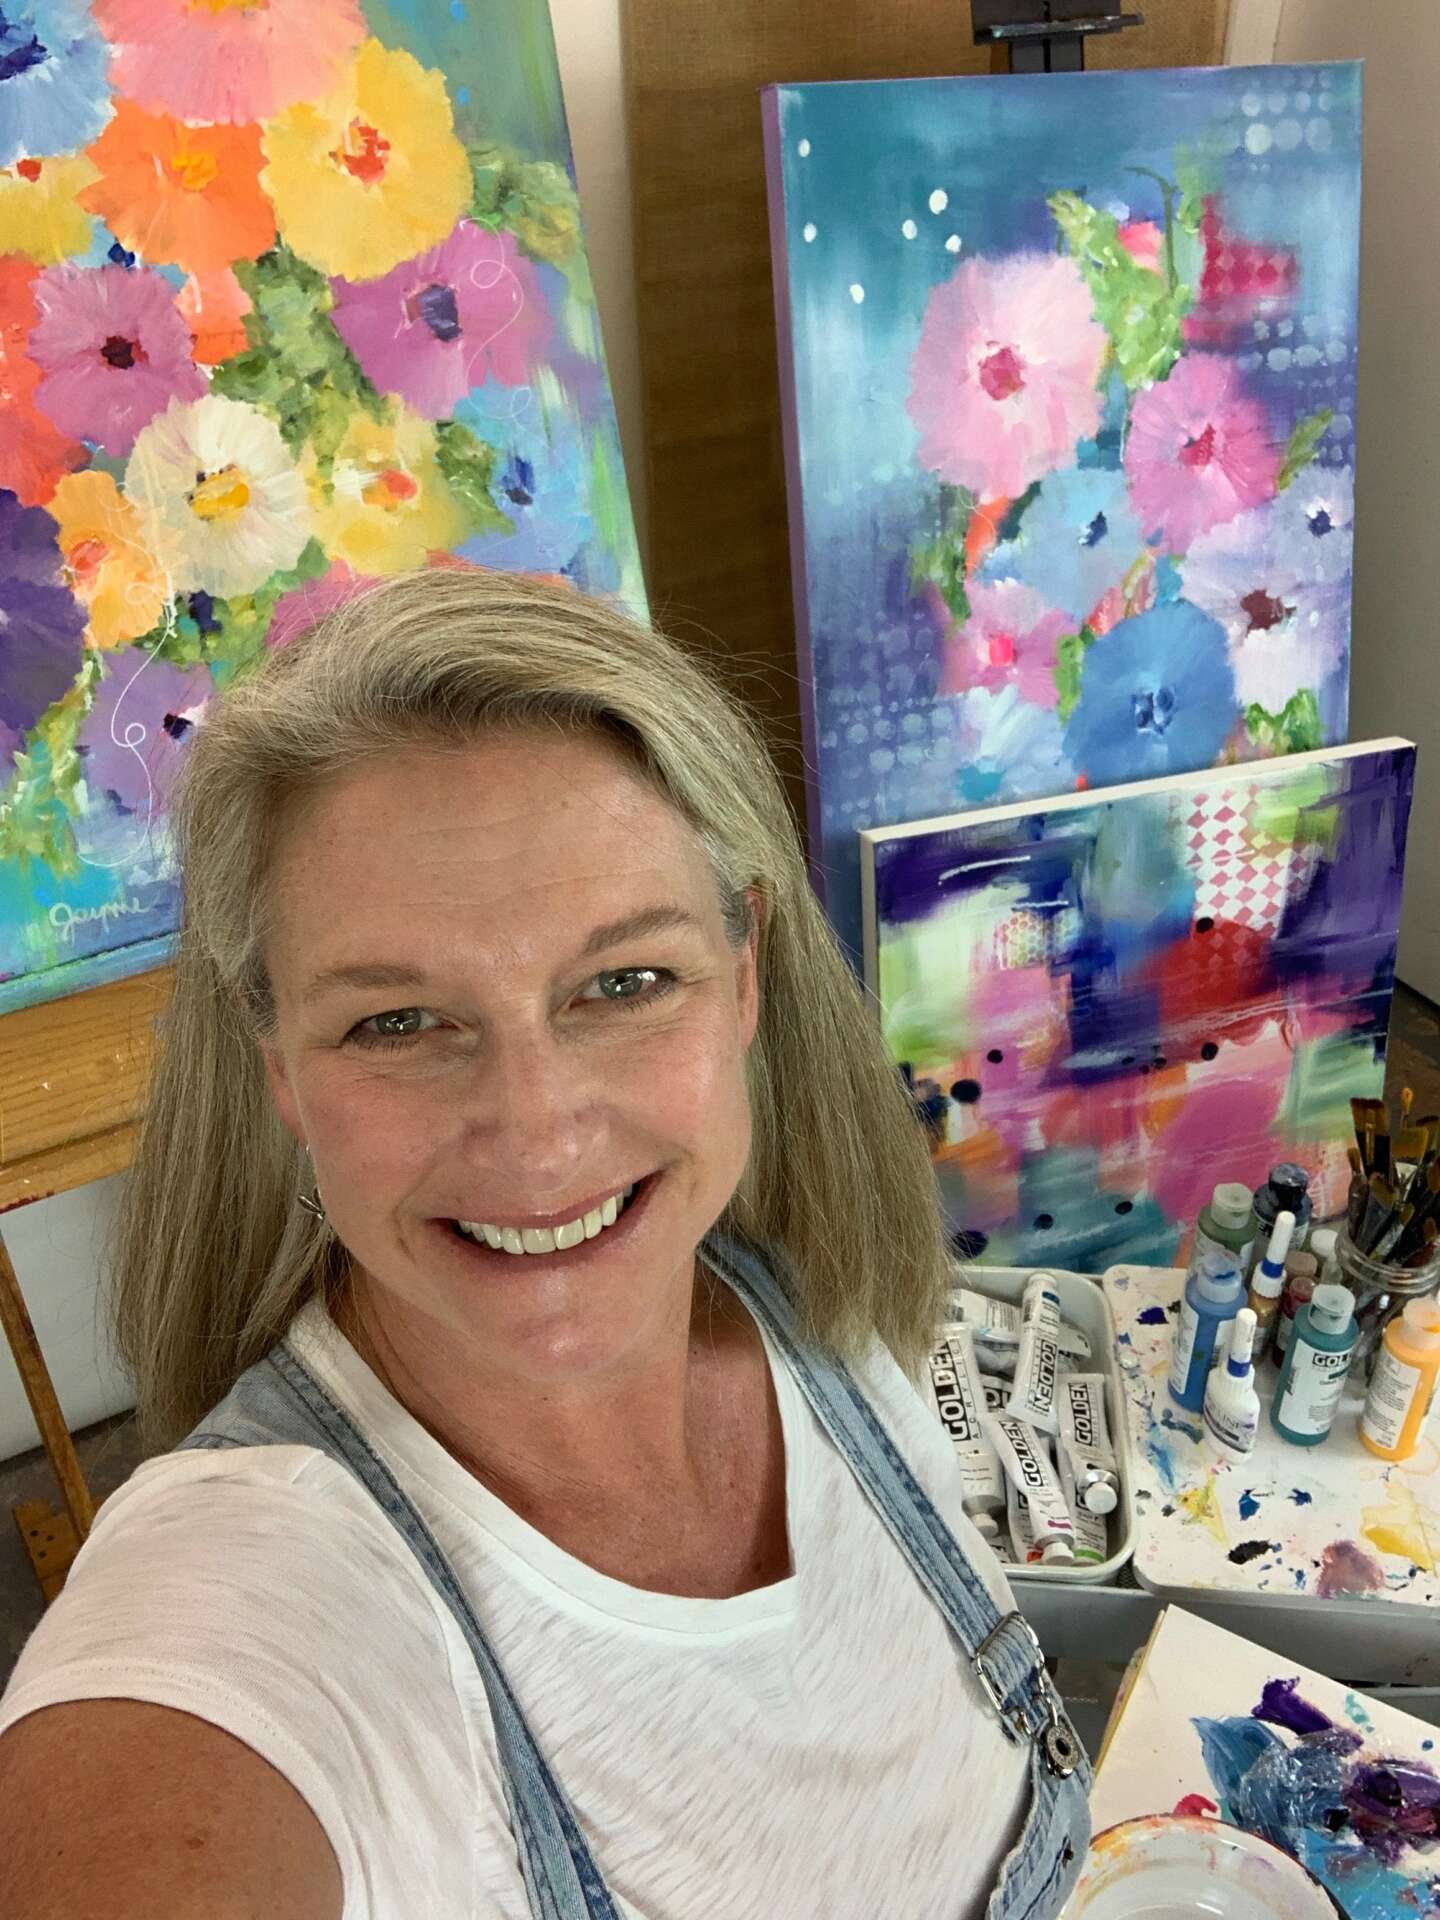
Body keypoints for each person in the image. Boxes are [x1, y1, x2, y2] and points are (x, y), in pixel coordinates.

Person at [0, 569, 1089, 1919]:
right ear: (277, 1062)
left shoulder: (813, 1311)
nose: (536, 1134)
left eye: (625, 983)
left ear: (742, 976)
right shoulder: (250, 1607)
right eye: (396, 1022)